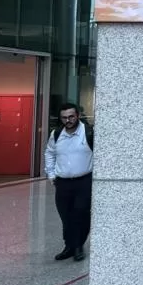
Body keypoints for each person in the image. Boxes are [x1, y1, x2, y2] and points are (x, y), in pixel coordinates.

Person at [44, 103, 94, 262]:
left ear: (77, 115)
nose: (68, 120)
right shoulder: (56, 134)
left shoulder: (88, 132)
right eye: (64, 117)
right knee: (66, 216)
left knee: (81, 214)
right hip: (63, 183)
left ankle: (78, 246)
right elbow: (49, 153)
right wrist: (51, 174)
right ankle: (69, 246)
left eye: (71, 116)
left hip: (84, 181)